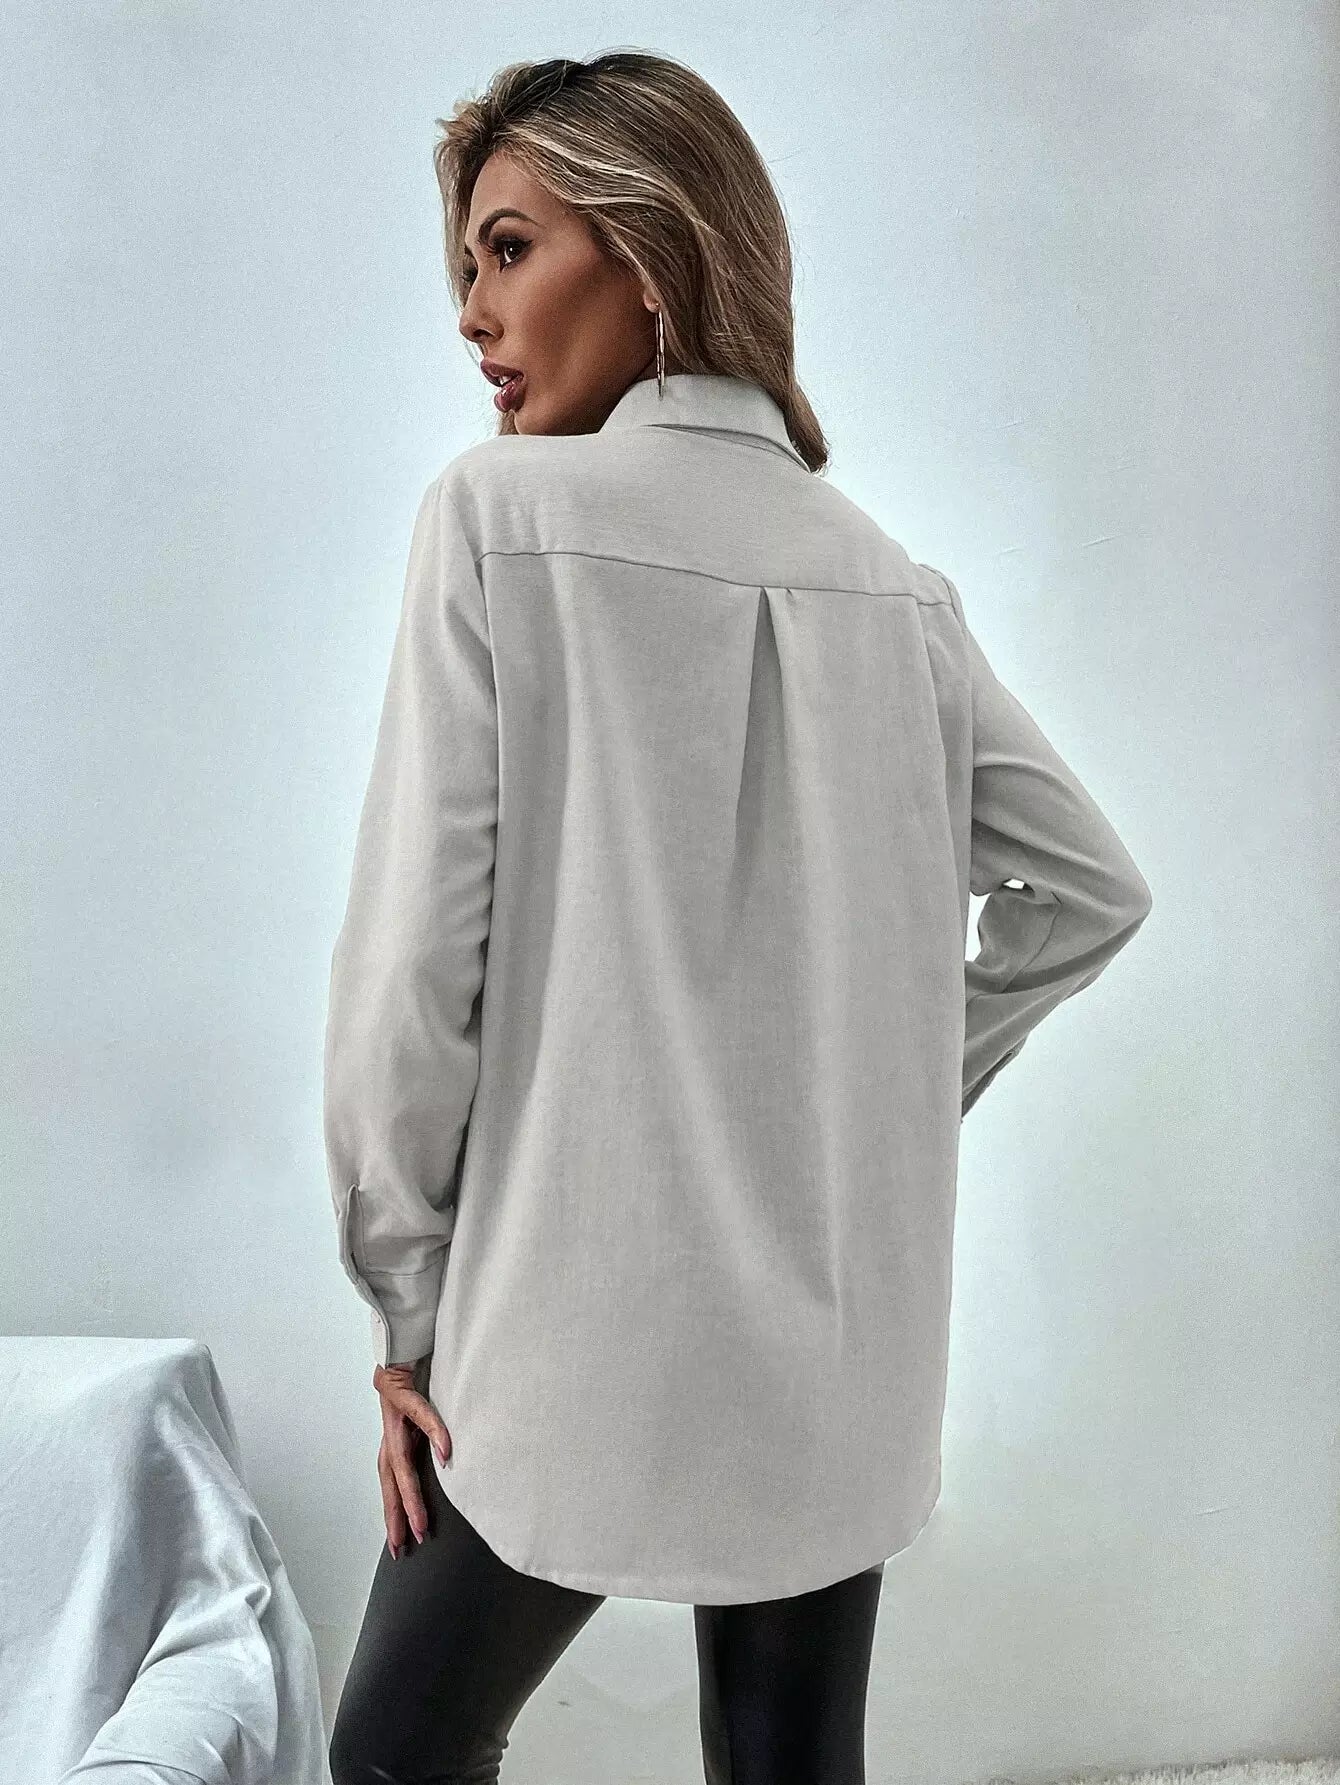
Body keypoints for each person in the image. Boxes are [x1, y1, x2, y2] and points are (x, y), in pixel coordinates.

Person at [323, 49, 1153, 1785]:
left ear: (647, 251)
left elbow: (414, 969)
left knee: (398, 1748)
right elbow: (1086, 889)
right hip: (834, 1344)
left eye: (507, 248)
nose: (473, 313)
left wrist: (404, 1303)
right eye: (469, 266)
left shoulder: (494, 523)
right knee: (790, 1763)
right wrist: (880, 1095)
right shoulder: (897, 590)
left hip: (558, 1336)